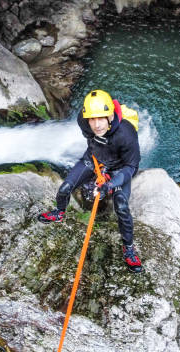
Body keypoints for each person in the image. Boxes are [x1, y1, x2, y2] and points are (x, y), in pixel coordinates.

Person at [38, 90, 143, 273]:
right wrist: (99, 169)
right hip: (95, 159)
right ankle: (59, 212)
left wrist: (109, 183)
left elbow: (131, 167)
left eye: (100, 118)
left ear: (110, 116)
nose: (96, 125)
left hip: (120, 167)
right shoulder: (83, 121)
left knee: (121, 204)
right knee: (65, 187)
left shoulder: (126, 133)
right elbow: (93, 141)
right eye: (92, 119)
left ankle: (128, 248)